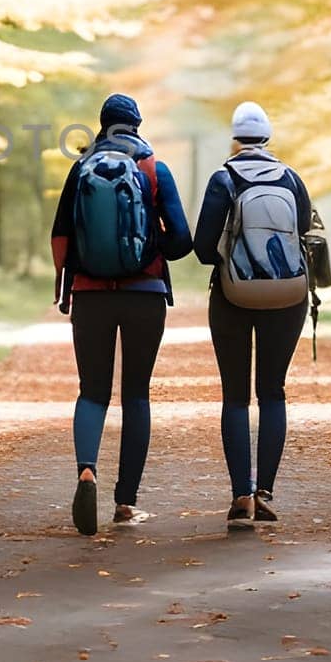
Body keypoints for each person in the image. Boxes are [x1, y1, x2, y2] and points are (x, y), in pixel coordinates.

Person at [50, 93, 192, 536]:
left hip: (90, 296)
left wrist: (69, 280)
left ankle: (87, 471)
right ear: (136, 125)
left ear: (101, 125)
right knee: (136, 395)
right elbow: (183, 241)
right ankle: (126, 502)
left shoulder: (80, 168)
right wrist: (153, 245)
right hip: (143, 296)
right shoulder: (154, 169)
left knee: (92, 391)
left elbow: (60, 237)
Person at [193, 101, 312, 529]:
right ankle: (266, 493)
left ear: (235, 138)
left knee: (236, 396)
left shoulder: (223, 178)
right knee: (273, 392)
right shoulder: (291, 178)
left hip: (233, 297)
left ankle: (241, 495)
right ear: (268, 136)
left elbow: (204, 249)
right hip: (287, 295)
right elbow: (301, 231)